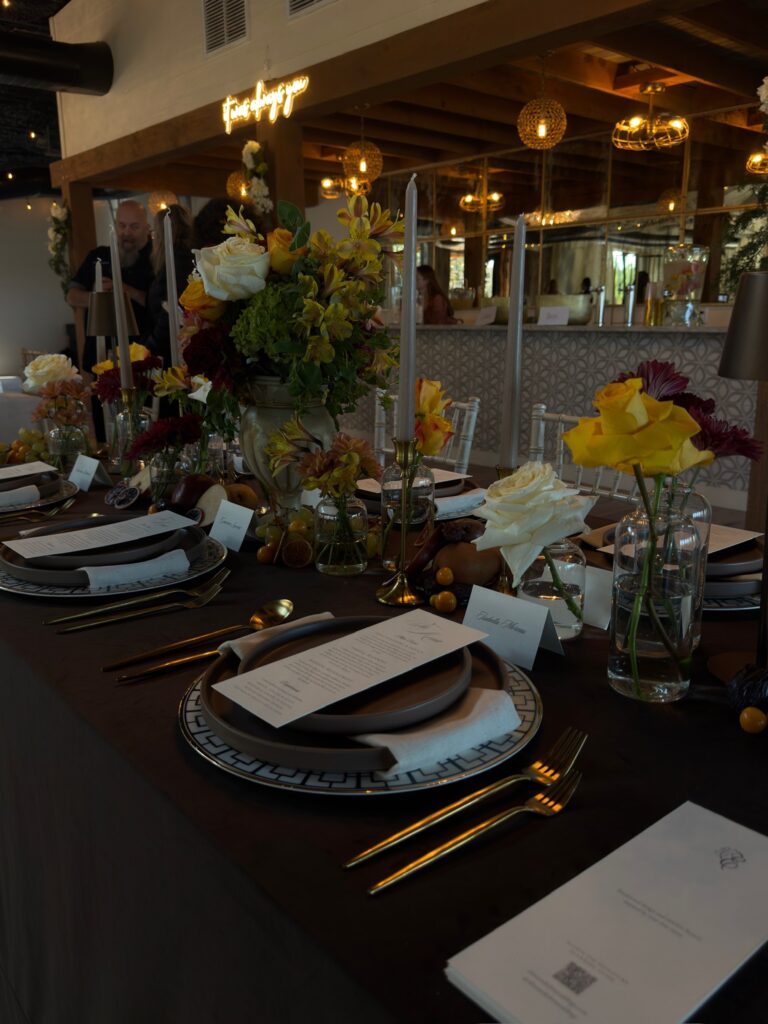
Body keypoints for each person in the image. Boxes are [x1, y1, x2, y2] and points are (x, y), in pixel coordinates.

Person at [66, 198, 154, 375]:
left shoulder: (156, 259)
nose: (126, 232)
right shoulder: (97, 256)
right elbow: (72, 296)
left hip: (142, 356)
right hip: (101, 356)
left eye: (134, 227)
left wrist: (126, 291)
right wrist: (100, 297)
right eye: (122, 225)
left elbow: (160, 305)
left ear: (146, 227)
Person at [144, 204, 194, 369]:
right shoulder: (185, 258)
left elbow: (173, 310)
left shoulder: (178, 260)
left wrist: (150, 346)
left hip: (175, 349)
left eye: (154, 233)